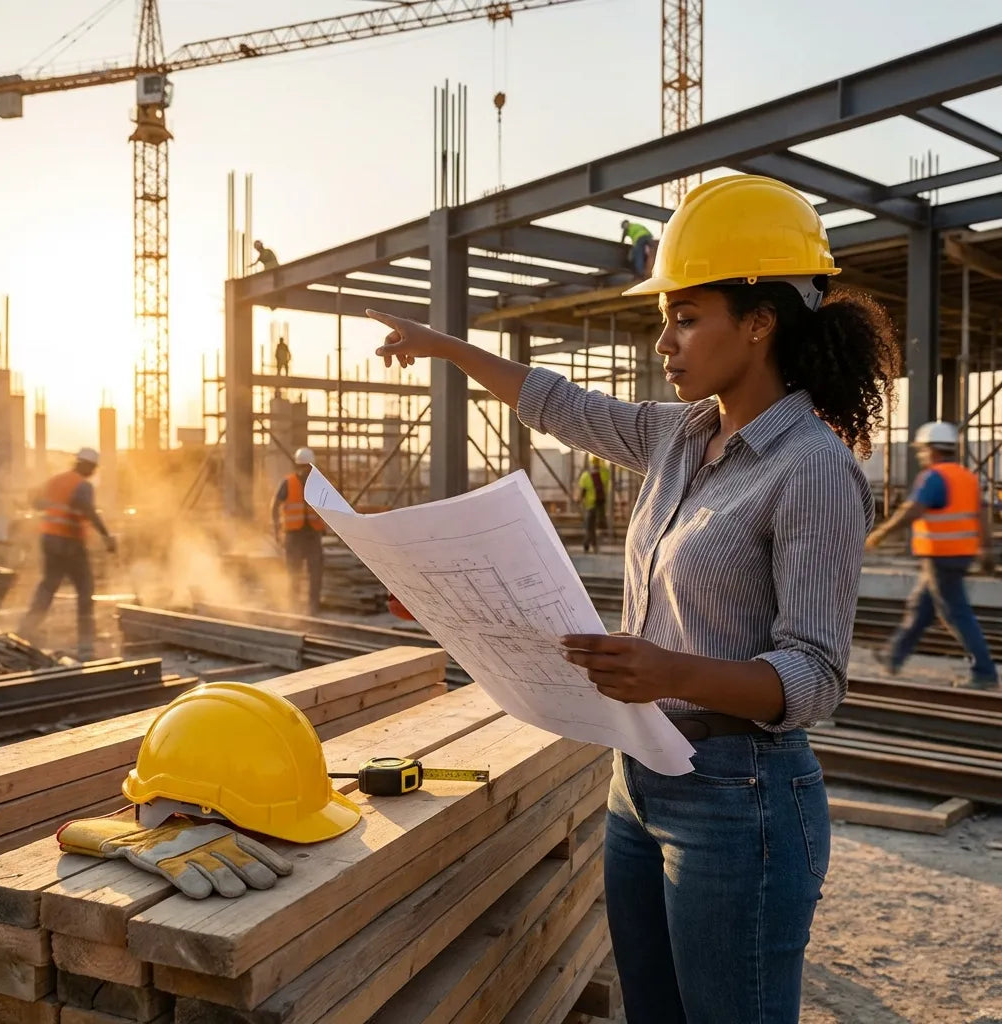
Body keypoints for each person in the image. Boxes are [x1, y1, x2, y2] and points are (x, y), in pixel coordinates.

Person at [366, 173, 900, 1024]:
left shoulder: (814, 469)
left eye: (686, 318)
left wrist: (665, 669)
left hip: (742, 801)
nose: (666, 342)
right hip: (640, 780)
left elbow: (813, 678)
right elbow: (561, 407)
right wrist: (447, 347)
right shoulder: (679, 437)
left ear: (759, 321)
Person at [866, 421, 999, 689]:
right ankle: (893, 656)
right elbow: (982, 517)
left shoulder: (934, 478)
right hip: (958, 555)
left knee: (956, 613)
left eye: (922, 450)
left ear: (931, 450)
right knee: (922, 608)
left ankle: (984, 671)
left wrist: (882, 532)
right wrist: (986, 550)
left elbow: (912, 510)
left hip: (942, 556)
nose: (921, 455)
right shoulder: (967, 477)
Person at [19, 447, 116, 660]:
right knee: (85, 590)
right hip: (70, 542)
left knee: (48, 586)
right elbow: (88, 511)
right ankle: (86, 646)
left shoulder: (56, 480)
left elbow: (34, 501)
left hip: (49, 540)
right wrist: (107, 537)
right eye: (93, 468)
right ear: (88, 466)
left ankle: (25, 632)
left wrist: (52, 506)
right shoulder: (83, 486)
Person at [271, 447, 325, 616]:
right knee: (294, 573)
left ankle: (313, 608)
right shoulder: (288, 483)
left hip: (312, 535)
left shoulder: (319, 485)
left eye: (308, 468)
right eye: (303, 467)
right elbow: (274, 506)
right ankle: (294, 608)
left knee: (315, 572)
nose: (305, 471)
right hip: (294, 535)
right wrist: (277, 529)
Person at [576, 455, 611, 553]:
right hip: (601, 505)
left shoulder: (585, 476)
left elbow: (582, 492)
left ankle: (588, 544)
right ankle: (593, 544)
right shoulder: (605, 473)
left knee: (589, 526)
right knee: (594, 527)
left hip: (590, 505)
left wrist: (579, 501)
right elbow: (607, 485)